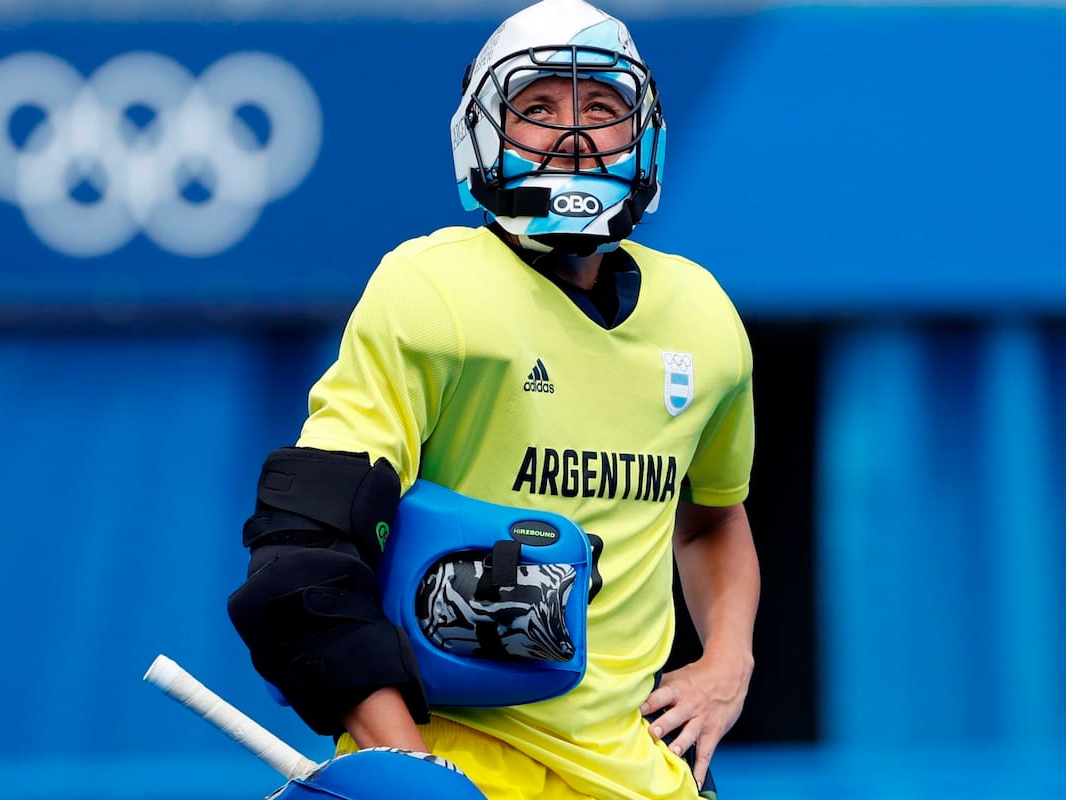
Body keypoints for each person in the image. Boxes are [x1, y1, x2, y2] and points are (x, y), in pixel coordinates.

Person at [227, 1, 760, 798]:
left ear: (642, 133)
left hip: (638, 772)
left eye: (601, 108)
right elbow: (301, 571)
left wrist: (728, 660)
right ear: (482, 135)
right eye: (537, 107)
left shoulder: (705, 318)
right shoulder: (432, 290)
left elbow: (712, 514)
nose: (573, 136)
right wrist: (410, 778)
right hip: (458, 760)